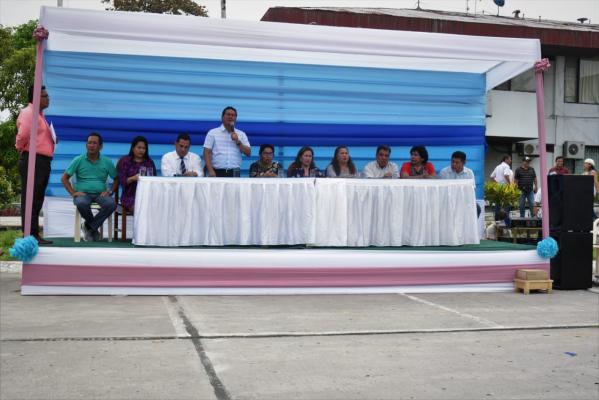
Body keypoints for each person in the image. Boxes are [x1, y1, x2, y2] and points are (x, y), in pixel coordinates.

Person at [15, 85, 55, 245]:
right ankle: (29, 236)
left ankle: (33, 234)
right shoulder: (28, 112)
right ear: (36, 97)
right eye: (45, 96)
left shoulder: (40, 115)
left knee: (37, 199)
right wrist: (20, 147)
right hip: (33, 160)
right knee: (30, 199)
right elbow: (23, 134)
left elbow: (37, 137)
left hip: (42, 161)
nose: (48, 98)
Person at [60, 132, 118, 242]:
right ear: (86, 145)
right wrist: (73, 193)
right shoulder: (78, 160)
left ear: (100, 146)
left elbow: (116, 178)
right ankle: (93, 228)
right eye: (89, 143)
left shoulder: (106, 161)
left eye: (94, 143)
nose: (91, 145)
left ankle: (89, 227)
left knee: (111, 204)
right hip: (83, 193)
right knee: (81, 203)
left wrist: (110, 191)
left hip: (100, 193)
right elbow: (64, 178)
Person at [203, 106, 251, 177]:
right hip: (217, 171)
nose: (230, 117)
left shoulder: (241, 134)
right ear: (222, 117)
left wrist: (238, 141)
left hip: (235, 171)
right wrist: (210, 170)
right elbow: (206, 152)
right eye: (228, 114)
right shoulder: (212, 133)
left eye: (233, 115)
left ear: (236, 118)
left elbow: (248, 153)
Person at [116, 136, 157, 213]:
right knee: (141, 209)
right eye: (139, 147)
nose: (141, 150)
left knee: (157, 208)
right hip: (130, 196)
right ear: (133, 148)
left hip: (147, 195)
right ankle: (141, 225)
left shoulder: (149, 162)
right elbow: (122, 181)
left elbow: (155, 180)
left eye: (144, 148)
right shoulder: (125, 161)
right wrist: (133, 178)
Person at [439, 150, 480, 217]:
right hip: (448, 201)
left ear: (464, 163)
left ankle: (470, 227)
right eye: (452, 161)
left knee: (477, 208)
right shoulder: (444, 172)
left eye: (457, 162)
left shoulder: (469, 173)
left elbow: (472, 190)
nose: (453, 164)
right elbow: (441, 191)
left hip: (464, 200)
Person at [490, 154, 513, 225]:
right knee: (506, 206)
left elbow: (491, 176)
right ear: (506, 159)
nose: (510, 160)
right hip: (505, 188)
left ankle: (496, 223)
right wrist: (510, 184)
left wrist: (498, 183)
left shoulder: (498, 166)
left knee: (498, 206)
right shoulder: (506, 166)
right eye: (510, 159)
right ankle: (508, 225)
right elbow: (506, 175)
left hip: (498, 188)